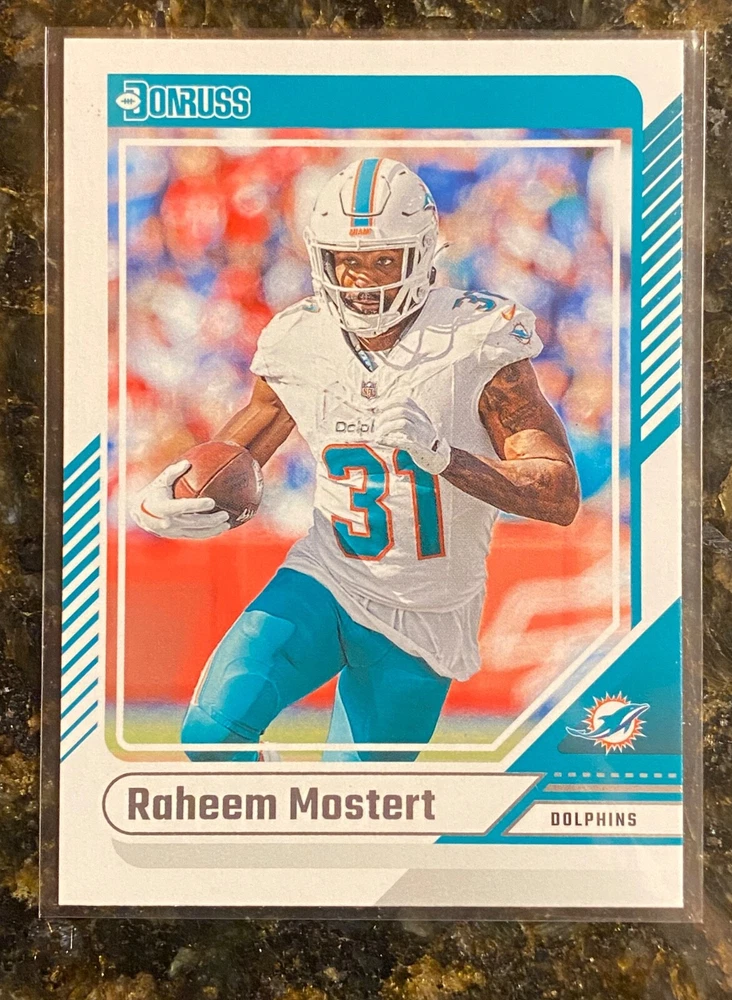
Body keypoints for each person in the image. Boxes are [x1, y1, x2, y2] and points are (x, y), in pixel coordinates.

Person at [132, 157, 581, 761]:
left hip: (425, 612)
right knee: (210, 739)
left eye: (382, 260)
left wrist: (446, 458)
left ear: (421, 256)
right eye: (347, 260)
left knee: (356, 797)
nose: (362, 279)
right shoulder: (300, 338)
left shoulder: (476, 340)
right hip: (325, 576)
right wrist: (173, 491)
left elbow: (559, 493)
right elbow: (242, 446)